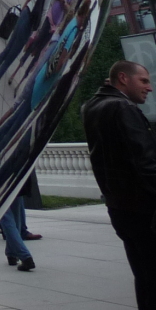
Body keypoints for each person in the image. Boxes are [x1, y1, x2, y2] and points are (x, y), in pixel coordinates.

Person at [83, 60, 156, 310]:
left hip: (120, 208)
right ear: (124, 78)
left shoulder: (92, 106)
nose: (149, 88)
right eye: (143, 81)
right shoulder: (123, 108)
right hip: (145, 211)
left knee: (144, 277)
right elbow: (145, 163)